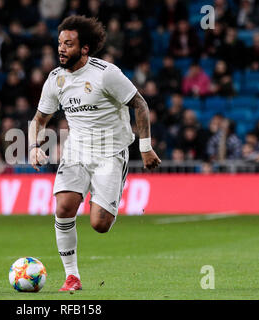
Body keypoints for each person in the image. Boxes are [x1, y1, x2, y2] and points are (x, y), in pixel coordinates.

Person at [27, 16, 161, 292]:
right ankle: (72, 276)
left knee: (100, 224)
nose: (61, 49)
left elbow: (141, 104)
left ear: (85, 48)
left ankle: (106, 196)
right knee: (64, 207)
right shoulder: (55, 79)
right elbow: (39, 119)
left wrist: (145, 148)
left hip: (110, 153)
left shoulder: (106, 74)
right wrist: (33, 148)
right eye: (60, 43)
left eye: (69, 44)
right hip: (76, 150)